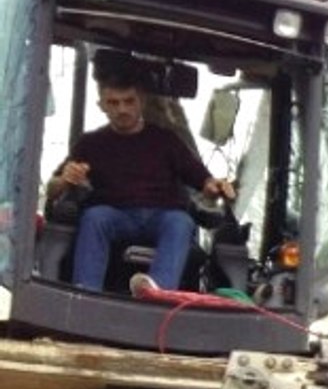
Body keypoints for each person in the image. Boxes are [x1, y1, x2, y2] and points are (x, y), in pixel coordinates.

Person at [48, 69, 235, 292]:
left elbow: (204, 181)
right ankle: (84, 292)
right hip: (115, 215)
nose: (122, 109)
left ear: (141, 102)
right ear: (102, 105)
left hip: (162, 216)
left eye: (129, 101)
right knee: (94, 217)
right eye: (114, 103)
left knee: (181, 222)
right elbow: (52, 189)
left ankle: (157, 291)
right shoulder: (91, 143)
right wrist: (65, 180)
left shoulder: (166, 140)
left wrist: (216, 187)